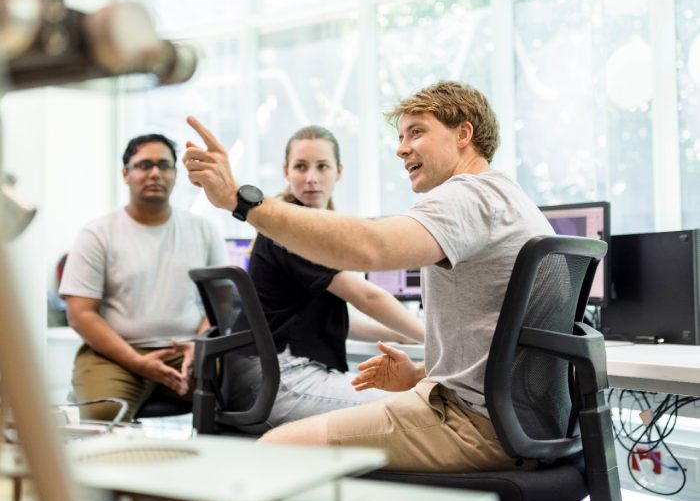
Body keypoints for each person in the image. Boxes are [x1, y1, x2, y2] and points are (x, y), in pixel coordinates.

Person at [183, 81, 553, 472]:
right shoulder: (509, 198)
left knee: (275, 449)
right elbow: (503, 348)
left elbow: (370, 247)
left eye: (417, 132)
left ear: (463, 134)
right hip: (509, 417)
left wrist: (239, 200)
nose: (401, 148)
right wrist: (422, 371)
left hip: (475, 422)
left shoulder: (467, 197)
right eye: (400, 136)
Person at [224, 125, 424, 427]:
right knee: (414, 410)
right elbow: (368, 297)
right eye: (301, 167)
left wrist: (399, 333)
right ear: (286, 172)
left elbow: (324, 320)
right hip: (276, 378)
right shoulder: (292, 229)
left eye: (322, 166)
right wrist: (433, 338)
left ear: (339, 171)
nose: (311, 178)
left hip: (272, 374)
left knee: (409, 402)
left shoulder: (300, 224)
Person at [60, 133, 228, 421]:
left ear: (176, 174)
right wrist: (136, 362)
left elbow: (220, 303)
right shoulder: (98, 233)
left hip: (186, 350)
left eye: (164, 165)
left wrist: (199, 343)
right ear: (126, 174)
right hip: (113, 355)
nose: (155, 173)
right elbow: (80, 314)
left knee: (239, 393)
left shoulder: (204, 230)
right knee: (105, 414)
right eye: (144, 165)